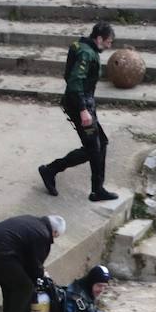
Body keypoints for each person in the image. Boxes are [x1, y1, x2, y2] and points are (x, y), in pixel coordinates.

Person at [39, 21, 118, 202]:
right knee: (93, 148)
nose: (109, 45)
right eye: (108, 41)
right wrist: (83, 110)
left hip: (83, 104)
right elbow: (75, 81)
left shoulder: (81, 46)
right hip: (80, 106)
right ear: (99, 38)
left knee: (101, 143)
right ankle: (50, 170)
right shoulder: (86, 53)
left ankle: (97, 188)